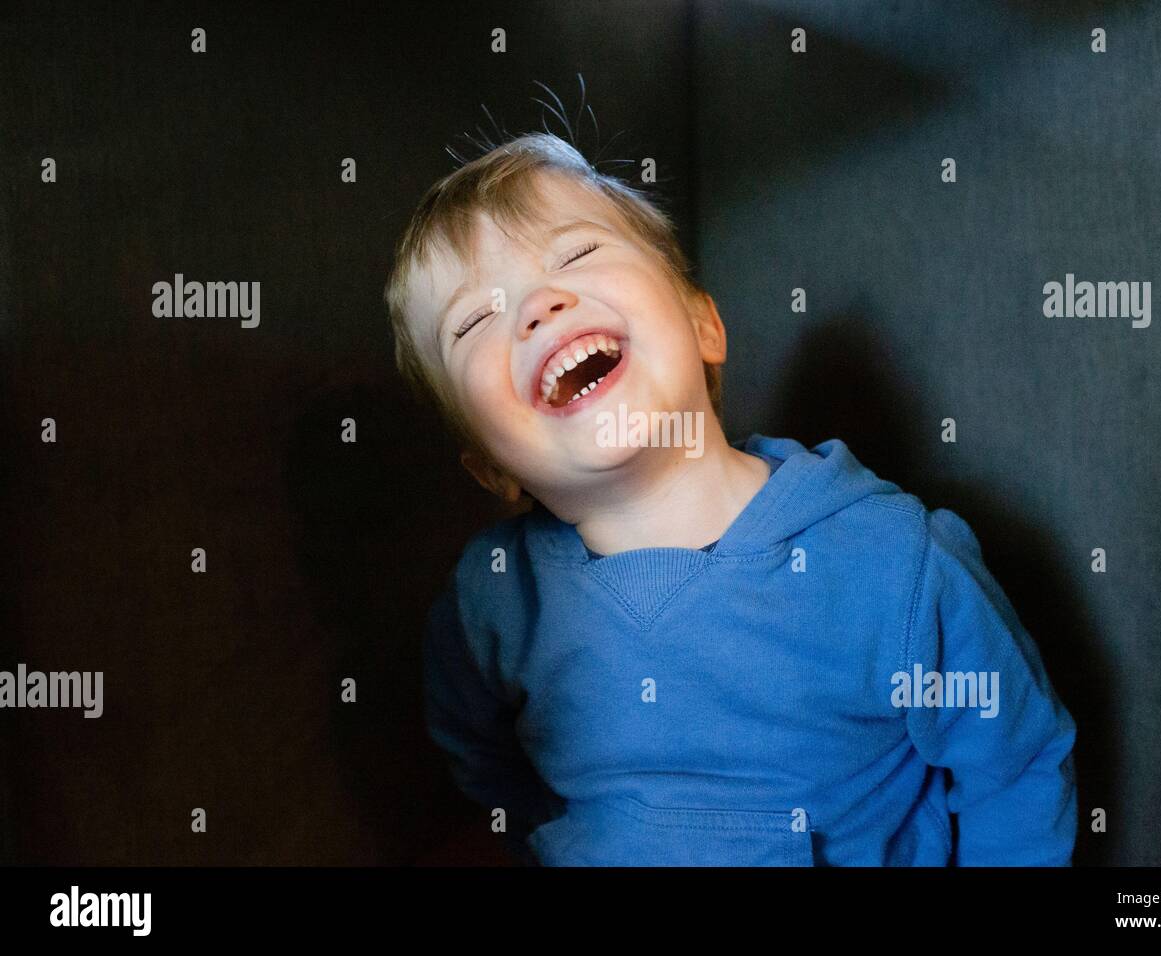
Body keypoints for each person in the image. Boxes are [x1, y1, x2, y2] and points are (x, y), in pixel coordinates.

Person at [383, 130, 1077, 866]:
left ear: (704, 325)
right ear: (492, 467)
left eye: (577, 254)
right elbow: (479, 761)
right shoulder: (490, 603)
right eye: (475, 321)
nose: (538, 306)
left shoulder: (891, 565)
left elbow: (1017, 769)